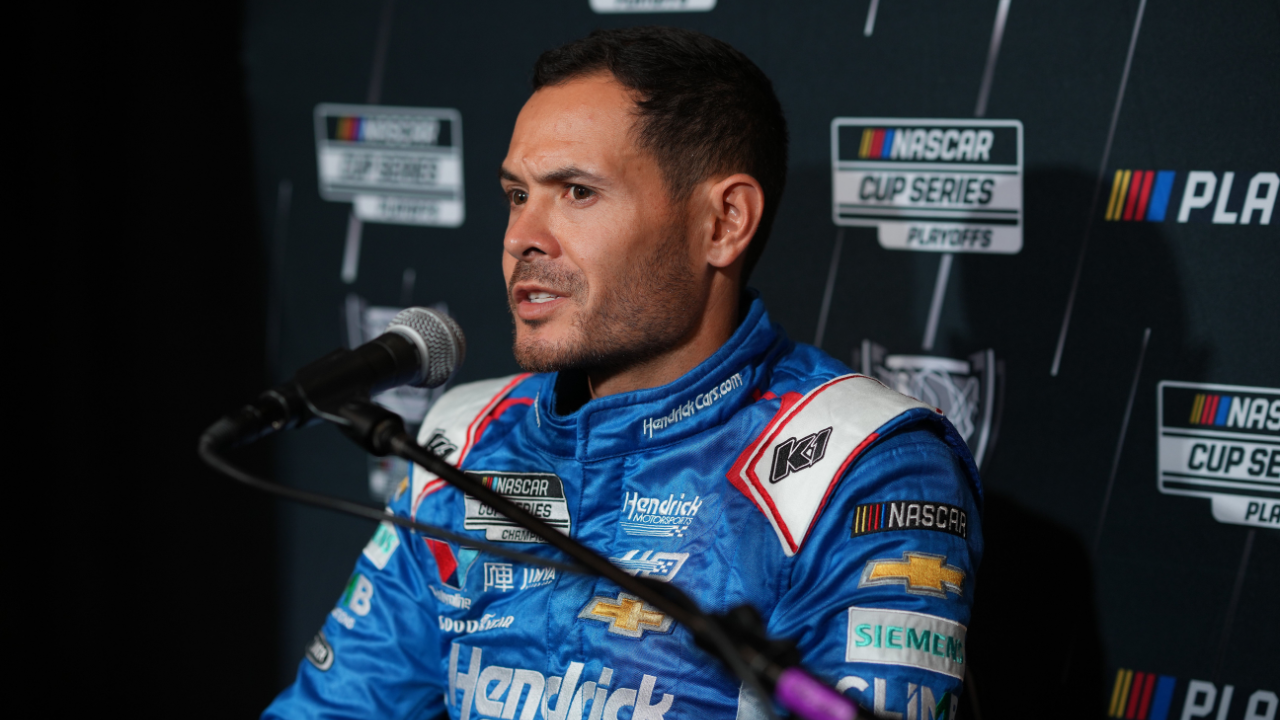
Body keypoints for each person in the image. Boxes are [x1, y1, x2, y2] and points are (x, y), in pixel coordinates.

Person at [265, 26, 983, 720]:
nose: (521, 239)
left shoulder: (863, 461)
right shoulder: (467, 437)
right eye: (518, 195)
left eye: (577, 192)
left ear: (724, 223)